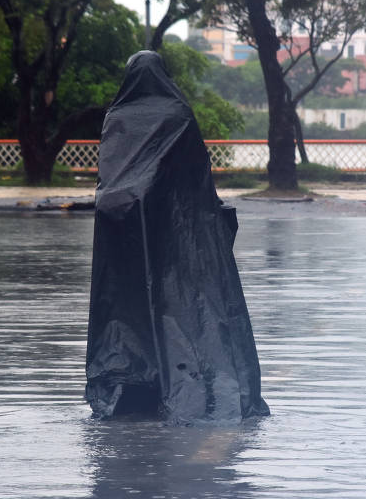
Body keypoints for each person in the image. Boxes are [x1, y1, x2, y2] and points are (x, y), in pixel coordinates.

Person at [85, 51, 270, 423]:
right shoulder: (179, 115)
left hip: (124, 232)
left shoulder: (117, 117)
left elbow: (111, 180)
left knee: (132, 310)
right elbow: (195, 180)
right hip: (176, 237)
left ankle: (135, 387)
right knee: (176, 308)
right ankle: (184, 387)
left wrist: (128, 205)